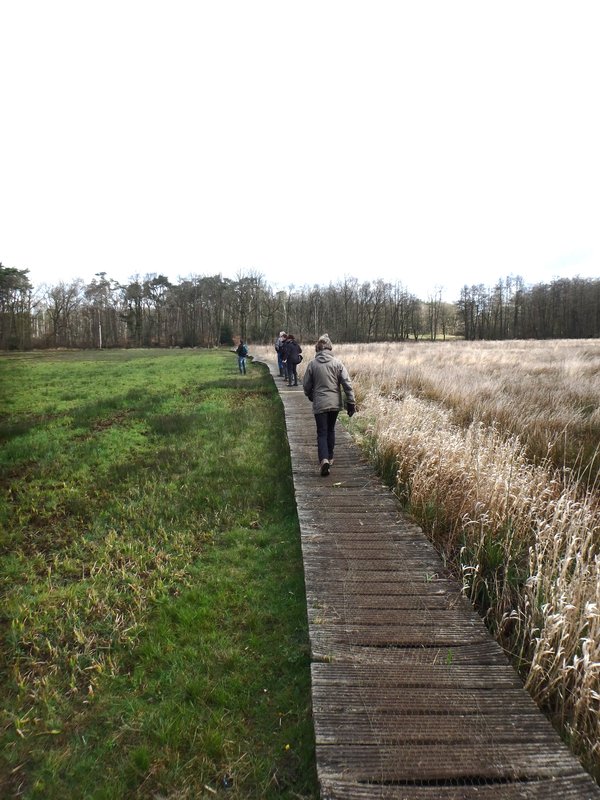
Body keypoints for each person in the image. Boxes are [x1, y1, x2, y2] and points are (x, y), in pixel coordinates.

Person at [302, 333, 356, 476]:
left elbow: (306, 385)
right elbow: (347, 384)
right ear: (330, 348)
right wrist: (351, 402)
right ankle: (330, 457)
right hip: (334, 403)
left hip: (320, 403)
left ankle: (324, 459)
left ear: (317, 349)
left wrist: (310, 395)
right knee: (331, 430)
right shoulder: (337, 363)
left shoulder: (312, 364)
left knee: (322, 432)